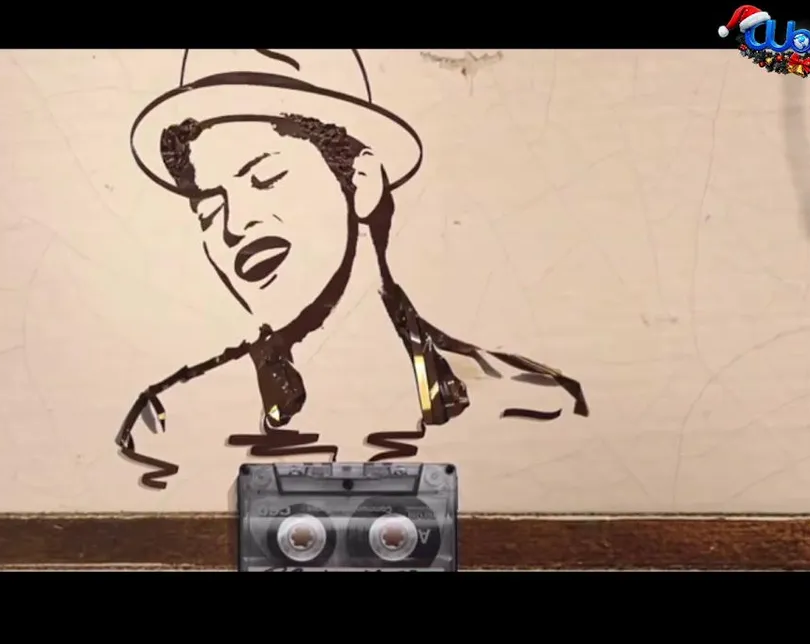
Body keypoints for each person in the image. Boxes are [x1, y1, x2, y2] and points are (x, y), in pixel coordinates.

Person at [118, 49, 587, 490]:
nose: (234, 226)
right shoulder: (168, 429)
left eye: (265, 178)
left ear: (363, 183)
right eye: (208, 209)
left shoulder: (529, 405)